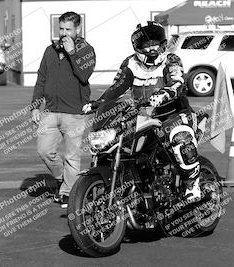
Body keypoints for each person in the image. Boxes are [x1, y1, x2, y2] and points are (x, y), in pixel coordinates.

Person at [82, 21, 201, 201]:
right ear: (138, 46)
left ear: (162, 43)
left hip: (174, 113)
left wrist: (166, 93)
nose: (152, 48)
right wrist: (99, 103)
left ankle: (192, 184)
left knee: (179, 136)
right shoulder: (130, 63)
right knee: (116, 138)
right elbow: (118, 86)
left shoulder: (171, 60)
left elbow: (178, 82)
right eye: (147, 44)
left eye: (155, 42)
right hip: (144, 116)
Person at [31, 11, 96, 209]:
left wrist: (73, 53)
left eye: (68, 29)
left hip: (75, 113)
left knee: (72, 156)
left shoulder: (86, 50)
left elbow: (84, 76)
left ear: (78, 29)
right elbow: (41, 78)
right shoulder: (50, 50)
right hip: (50, 111)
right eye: (61, 28)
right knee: (44, 151)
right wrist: (35, 106)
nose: (64, 33)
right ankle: (62, 179)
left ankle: (68, 192)